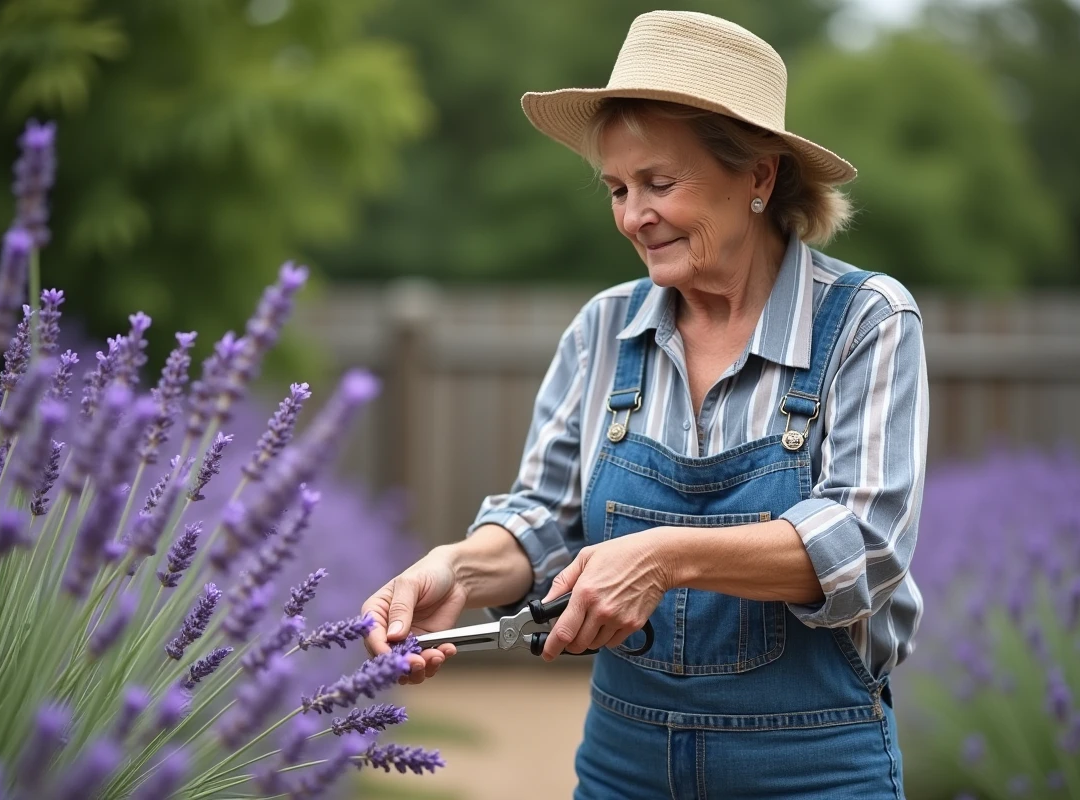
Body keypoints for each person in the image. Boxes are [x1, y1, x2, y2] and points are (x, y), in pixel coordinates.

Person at [362, 10, 928, 798]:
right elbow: (548, 518)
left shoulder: (866, 321)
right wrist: (458, 570)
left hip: (814, 768)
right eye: (619, 189)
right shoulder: (603, 330)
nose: (633, 216)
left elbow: (866, 546)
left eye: (660, 183)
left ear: (759, 176)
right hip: (622, 767)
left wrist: (666, 555)